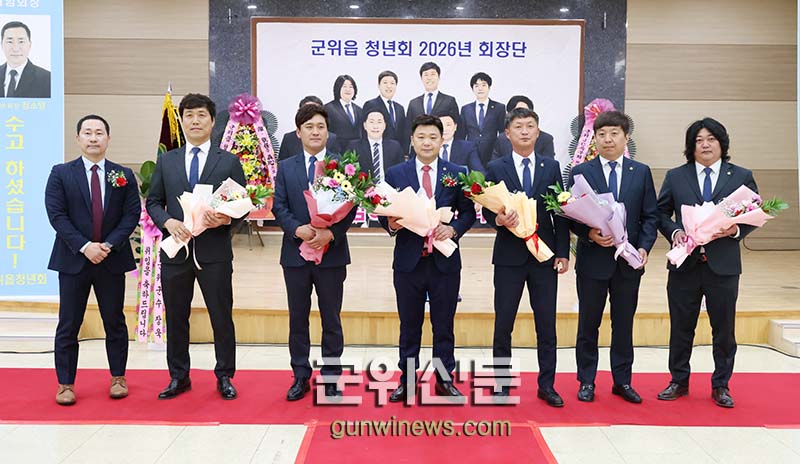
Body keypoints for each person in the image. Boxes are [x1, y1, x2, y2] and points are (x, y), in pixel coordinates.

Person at [146, 93, 246, 400]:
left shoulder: (228, 161)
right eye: (189, 115)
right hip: (176, 250)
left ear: (213, 121)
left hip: (214, 253)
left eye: (201, 115)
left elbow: (241, 205)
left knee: (221, 315)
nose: (195, 121)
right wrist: (167, 222)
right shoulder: (167, 160)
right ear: (182, 121)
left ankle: (225, 375)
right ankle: (179, 377)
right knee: (177, 317)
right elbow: (153, 201)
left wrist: (225, 220)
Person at [656, 118, 758, 408]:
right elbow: (661, 213)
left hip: (723, 265)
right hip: (685, 263)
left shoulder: (740, 175)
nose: (705, 145)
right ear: (691, 146)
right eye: (698, 140)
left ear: (722, 143)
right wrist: (675, 232)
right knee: (681, 326)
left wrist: (736, 230)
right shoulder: (677, 176)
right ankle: (678, 380)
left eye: (711, 139)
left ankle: (721, 385)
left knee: (723, 329)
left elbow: (754, 213)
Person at [379, 115, 476, 402]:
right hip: (409, 263)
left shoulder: (456, 172)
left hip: (444, 262)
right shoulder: (396, 173)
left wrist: (454, 229)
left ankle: (444, 381)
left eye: (433, 137)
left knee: (444, 325)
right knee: (409, 326)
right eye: (421, 137)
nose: (426, 142)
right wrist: (392, 224)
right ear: (412, 140)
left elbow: (468, 212)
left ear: (442, 140)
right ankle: (407, 381)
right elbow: (383, 211)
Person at [45, 115, 140, 405]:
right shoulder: (61, 173)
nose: (93, 138)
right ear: (78, 139)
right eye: (87, 133)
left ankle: (118, 377)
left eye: (99, 132)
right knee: (69, 323)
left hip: (111, 260)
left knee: (115, 321)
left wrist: (107, 245)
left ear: (108, 138)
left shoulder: (123, 174)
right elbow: (57, 215)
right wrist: (85, 246)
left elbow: (131, 215)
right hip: (73, 260)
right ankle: (65, 384)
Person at [482, 108, 570, 407]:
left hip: (543, 256)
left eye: (530, 126)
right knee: (503, 323)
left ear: (537, 131)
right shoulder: (496, 167)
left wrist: (562, 253)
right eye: (518, 127)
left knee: (546, 324)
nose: (524, 131)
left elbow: (560, 212)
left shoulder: (551, 166)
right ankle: (501, 384)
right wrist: (498, 220)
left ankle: (547, 385)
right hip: (509, 258)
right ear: (507, 133)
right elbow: (487, 209)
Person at [569, 110, 658, 404]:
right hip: (593, 261)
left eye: (614, 133)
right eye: (601, 134)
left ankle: (622, 381)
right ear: (594, 138)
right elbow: (568, 215)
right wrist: (588, 234)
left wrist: (644, 247)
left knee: (623, 324)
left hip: (628, 262)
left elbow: (650, 215)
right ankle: (586, 380)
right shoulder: (581, 172)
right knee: (588, 323)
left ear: (626, 137)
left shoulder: (640, 172)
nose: (607, 139)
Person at [272, 104, 357, 401]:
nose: (315, 132)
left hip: (332, 255)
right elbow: (279, 206)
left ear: (328, 131)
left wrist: (329, 233)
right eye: (309, 127)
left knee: (331, 317)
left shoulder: (342, 166)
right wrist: (298, 230)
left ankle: (331, 377)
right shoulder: (286, 167)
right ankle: (300, 376)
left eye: (320, 126)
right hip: (295, 255)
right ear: (298, 132)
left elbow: (350, 208)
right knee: (298, 318)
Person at [460, 72, 505, 168]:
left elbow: (502, 133)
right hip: (471, 152)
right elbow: (462, 134)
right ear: (472, 89)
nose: (480, 88)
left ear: (489, 87)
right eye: (476, 86)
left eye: (483, 85)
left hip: (492, 153)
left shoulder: (499, 108)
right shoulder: (466, 109)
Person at [345, 110, 404, 183]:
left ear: (385, 125)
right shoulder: (354, 146)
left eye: (379, 122)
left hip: (389, 188)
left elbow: (401, 172)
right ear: (365, 125)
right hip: (364, 188)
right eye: (371, 122)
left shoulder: (395, 147)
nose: (375, 126)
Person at [406, 62, 461, 139]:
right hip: (420, 144)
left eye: (433, 74)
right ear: (421, 78)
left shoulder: (449, 101)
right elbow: (408, 129)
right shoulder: (413, 103)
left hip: (441, 143)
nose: (429, 78)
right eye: (426, 75)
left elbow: (458, 127)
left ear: (439, 77)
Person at [491, 96, 555, 160]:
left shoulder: (545, 139)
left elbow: (549, 164)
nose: (523, 115)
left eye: (525, 112)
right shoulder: (502, 139)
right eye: (518, 112)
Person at [362, 70, 408, 154]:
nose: (389, 86)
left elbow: (403, 132)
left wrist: (405, 152)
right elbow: (364, 131)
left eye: (392, 83)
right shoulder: (370, 104)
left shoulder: (400, 108)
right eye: (385, 83)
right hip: (378, 151)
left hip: (397, 152)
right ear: (379, 86)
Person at [0, 21, 50, 98]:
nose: (15, 48)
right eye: (10, 42)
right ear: (2, 45)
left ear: (29, 45)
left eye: (21, 42)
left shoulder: (47, 78)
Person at [324, 75, 362, 149]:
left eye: (351, 87)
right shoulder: (328, 108)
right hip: (336, 150)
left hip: (356, 151)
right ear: (338, 88)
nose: (348, 89)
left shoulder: (359, 110)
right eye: (344, 86)